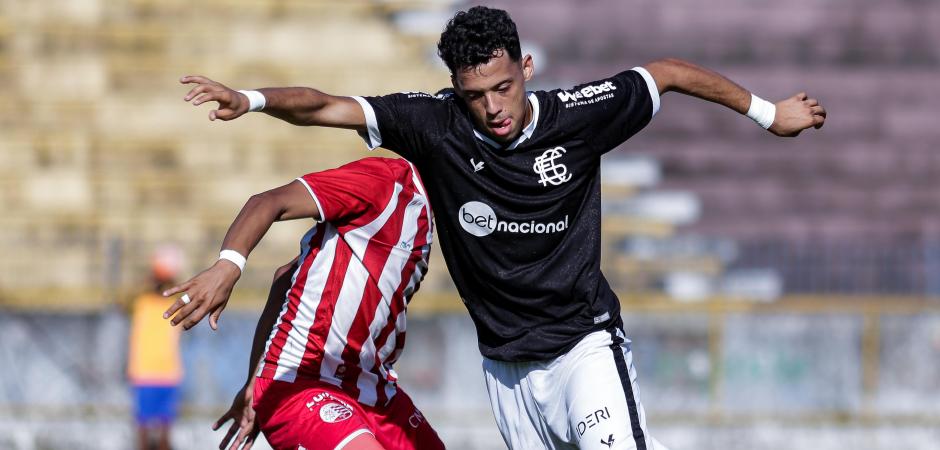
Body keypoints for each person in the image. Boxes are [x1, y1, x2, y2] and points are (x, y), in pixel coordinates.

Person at [175, 6, 827, 449]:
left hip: (583, 350)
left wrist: (769, 113)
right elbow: (324, 106)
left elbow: (669, 74)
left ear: (527, 70)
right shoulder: (434, 123)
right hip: (506, 370)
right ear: (456, 89)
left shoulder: (578, 116)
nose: (492, 107)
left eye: (504, 87)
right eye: (475, 94)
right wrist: (251, 101)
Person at [161, 157, 443, 450]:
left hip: (372, 388)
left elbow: (286, 277)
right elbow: (268, 201)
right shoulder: (387, 182)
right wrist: (228, 265)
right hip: (302, 381)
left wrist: (250, 384)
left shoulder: (432, 220)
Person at [127, 245, 185, 450]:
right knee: (147, 434)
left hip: (164, 372)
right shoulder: (142, 301)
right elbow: (124, 300)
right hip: (148, 372)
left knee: (160, 435)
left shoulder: (172, 303)